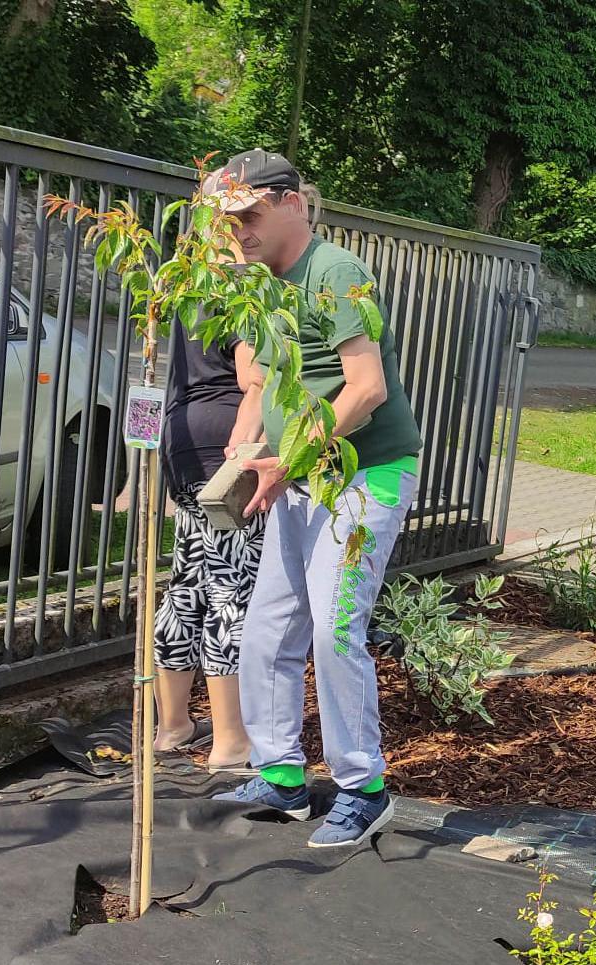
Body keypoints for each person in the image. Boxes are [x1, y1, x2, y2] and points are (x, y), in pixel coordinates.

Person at [206, 149, 424, 848]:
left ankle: (365, 789)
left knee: (333, 629)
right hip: (296, 477)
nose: (236, 232)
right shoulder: (259, 285)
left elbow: (366, 388)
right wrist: (243, 451)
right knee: (268, 627)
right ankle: (283, 778)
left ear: (292, 202)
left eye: (247, 215)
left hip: (367, 477)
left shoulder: (336, 273)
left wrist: (288, 458)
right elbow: (262, 385)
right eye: (226, 221)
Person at [150, 248, 266, 772]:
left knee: (188, 583)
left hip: (182, 442)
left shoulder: (185, 285)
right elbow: (254, 380)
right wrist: (249, 444)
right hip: (225, 447)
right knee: (231, 589)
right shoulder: (241, 286)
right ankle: (231, 740)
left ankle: (174, 726)